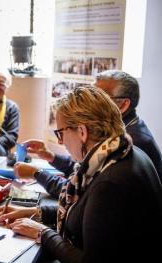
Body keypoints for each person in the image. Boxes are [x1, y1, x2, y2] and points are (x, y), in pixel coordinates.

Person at [0, 86, 162, 263]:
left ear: (82, 132)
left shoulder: (110, 182)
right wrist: (35, 213)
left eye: (61, 132)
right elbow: (84, 213)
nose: (60, 141)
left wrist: (42, 232)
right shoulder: (122, 153)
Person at [16, 70, 162, 197]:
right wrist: (51, 156)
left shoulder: (132, 142)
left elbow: (82, 194)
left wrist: (37, 174)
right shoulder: (117, 137)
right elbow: (83, 168)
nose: (87, 103)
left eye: (97, 97)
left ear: (123, 105)